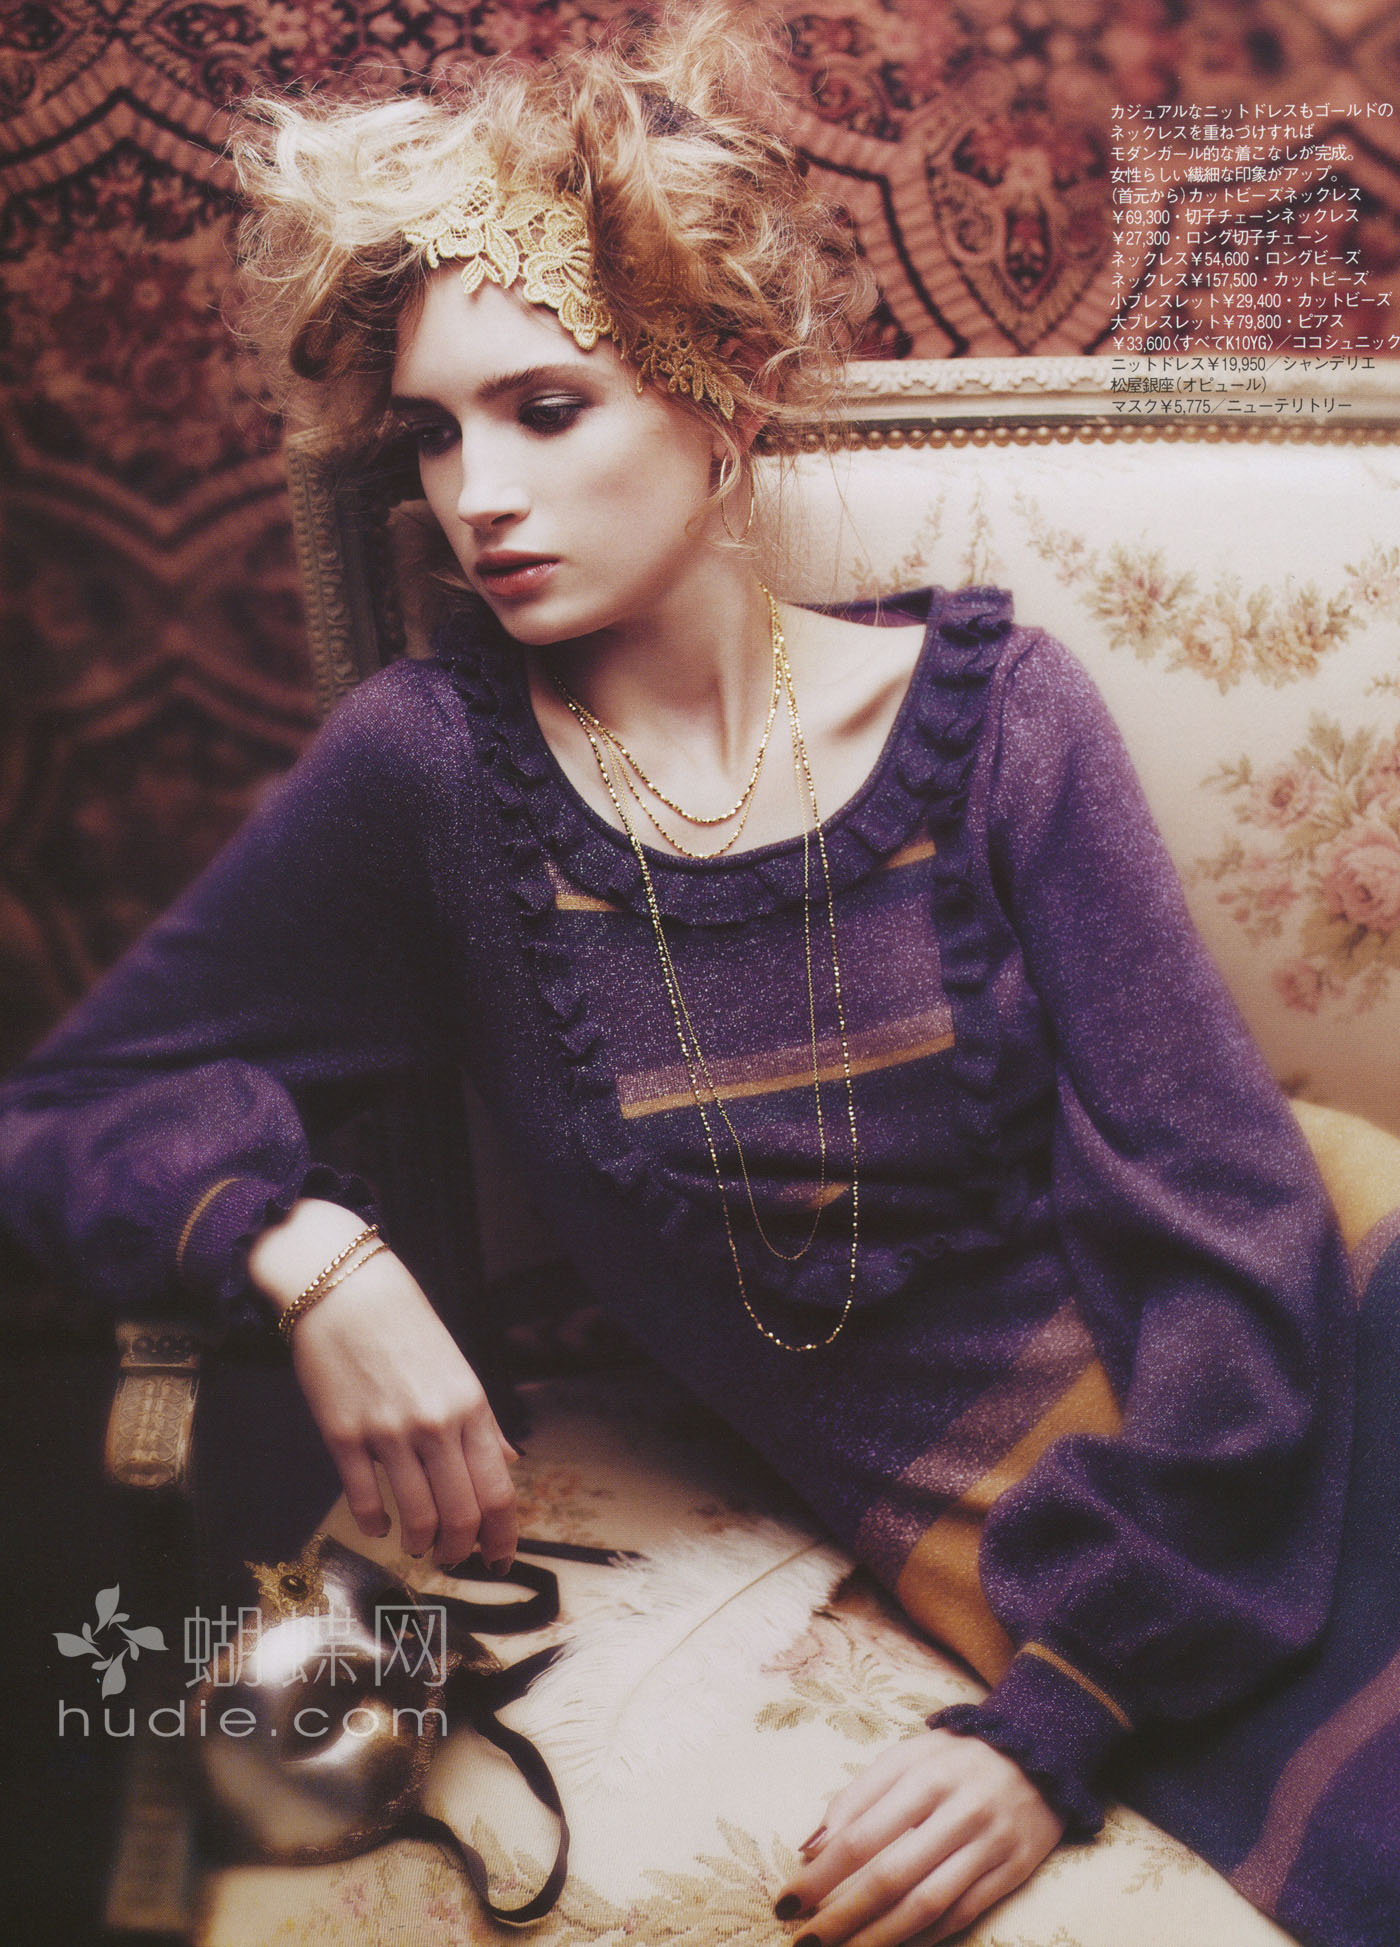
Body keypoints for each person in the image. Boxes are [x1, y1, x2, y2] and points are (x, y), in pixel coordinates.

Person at [3, 8, 1399, 1945]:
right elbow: (55, 1113)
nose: (475, 493)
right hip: (1017, 1505)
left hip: (1308, 1346)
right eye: (434, 430)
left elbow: (1234, 1216)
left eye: (543, 407)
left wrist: (1061, 1707)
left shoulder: (1001, 716)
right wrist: (304, 1246)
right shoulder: (432, 771)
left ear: (719, 395)